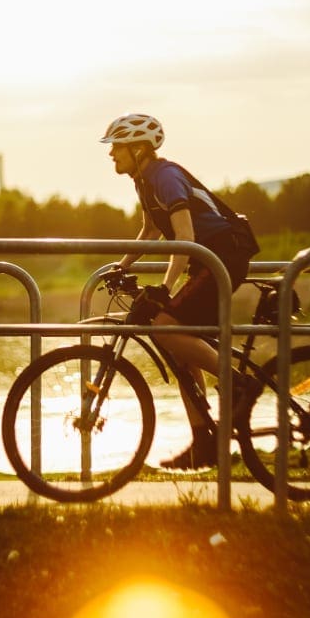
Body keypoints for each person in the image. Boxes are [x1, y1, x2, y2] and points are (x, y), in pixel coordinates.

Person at [100, 113, 257, 470]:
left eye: (116, 147)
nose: (111, 154)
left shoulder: (166, 176)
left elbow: (185, 236)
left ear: (139, 149)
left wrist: (165, 287)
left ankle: (239, 385)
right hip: (207, 259)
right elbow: (151, 231)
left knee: (165, 325)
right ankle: (203, 440)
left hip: (225, 255)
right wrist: (121, 266)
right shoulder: (144, 181)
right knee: (178, 344)